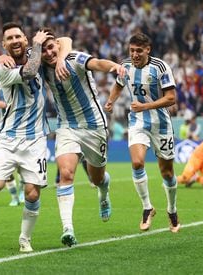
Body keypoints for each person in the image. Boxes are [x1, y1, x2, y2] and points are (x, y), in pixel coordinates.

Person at [0, 22, 70, 253]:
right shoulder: (2, 69)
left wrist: (59, 55)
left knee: (33, 192)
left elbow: (64, 40)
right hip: (7, 138)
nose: (15, 40)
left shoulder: (36, 52)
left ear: (25, 39)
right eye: (10, 38)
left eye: (18, 36)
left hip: (36, 139)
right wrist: (33, 46)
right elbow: (28, 72)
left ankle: (25, 239)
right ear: (4, 44)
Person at [38, 28, 126, 246]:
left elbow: (96, 63)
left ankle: (103, 194)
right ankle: (68, 228)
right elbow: (22, 57)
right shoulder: (41, 67)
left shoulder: (73, 58)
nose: (48, 53)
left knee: (97, 179)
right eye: (44, 50)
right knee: (66, 174)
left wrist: (113, 66)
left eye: (51, 47)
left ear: (57, 45)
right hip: (67, 126)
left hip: (94, 126)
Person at [105, 32, 180, 233]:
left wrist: (146, 107)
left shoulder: (160, 67)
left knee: (167, 172)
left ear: (148, 49)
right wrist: (111, 101)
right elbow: (118, 85)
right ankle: (147, 207)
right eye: (132, 50)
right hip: (137, 122)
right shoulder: (125, 66)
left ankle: (172, 210)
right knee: (137, 162)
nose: (135, 54)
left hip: (161, 125)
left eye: (139, 50)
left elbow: (171, 98)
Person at [0, 84, 25, 206]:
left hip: (24, 133)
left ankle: (22, 191)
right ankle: (14, 197)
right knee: (6, 170)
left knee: (22, 168)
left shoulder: (25, 85)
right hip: (5, 134)